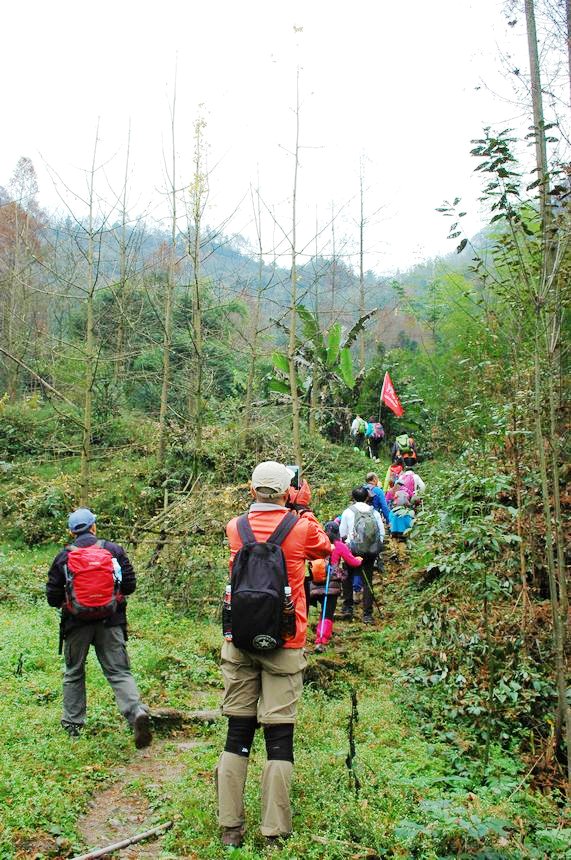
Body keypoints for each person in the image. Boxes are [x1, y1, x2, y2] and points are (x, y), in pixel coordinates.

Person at [216, 461, 331, 848]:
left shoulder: (236, 528)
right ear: (287, 491)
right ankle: (274, 834)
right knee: (279, 738)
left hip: (240, 640)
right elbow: (325, 547)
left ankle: (231, 830)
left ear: (251, 489)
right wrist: (302, 508)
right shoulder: (300, 527)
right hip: (286, 642)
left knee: (237, 735)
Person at [45, 508, 152, 748]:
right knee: (119, 672)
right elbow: (130, 585)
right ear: (94, 526)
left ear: (72, 532)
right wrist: (110, 599)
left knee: (74, 672)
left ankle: (73, 725)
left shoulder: (64, 556)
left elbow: (52, 596)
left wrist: (70, 603)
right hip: (110, 622)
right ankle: (135, 712)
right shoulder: (112, 550)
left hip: (76, 625)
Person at [309, 520, 362, 653]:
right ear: (337, 532)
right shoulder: (340, 546)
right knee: (327, 612)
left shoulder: (318, 544)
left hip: (315, 582)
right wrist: (359, 560)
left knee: (318, 610)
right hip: (331, 584)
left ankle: (311, 636)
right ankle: (322, 639)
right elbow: (353, 562)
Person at [339, 487, 384, 624]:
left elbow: (342, 534)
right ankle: (367, 614)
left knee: (347, 577)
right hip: (369, 552)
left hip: (352, 550)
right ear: (366, 498)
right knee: (367, 581)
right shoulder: (374, 512)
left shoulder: (348, 512)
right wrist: (375, 548)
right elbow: (381, 532)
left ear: (353, 497)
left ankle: (348, 607)